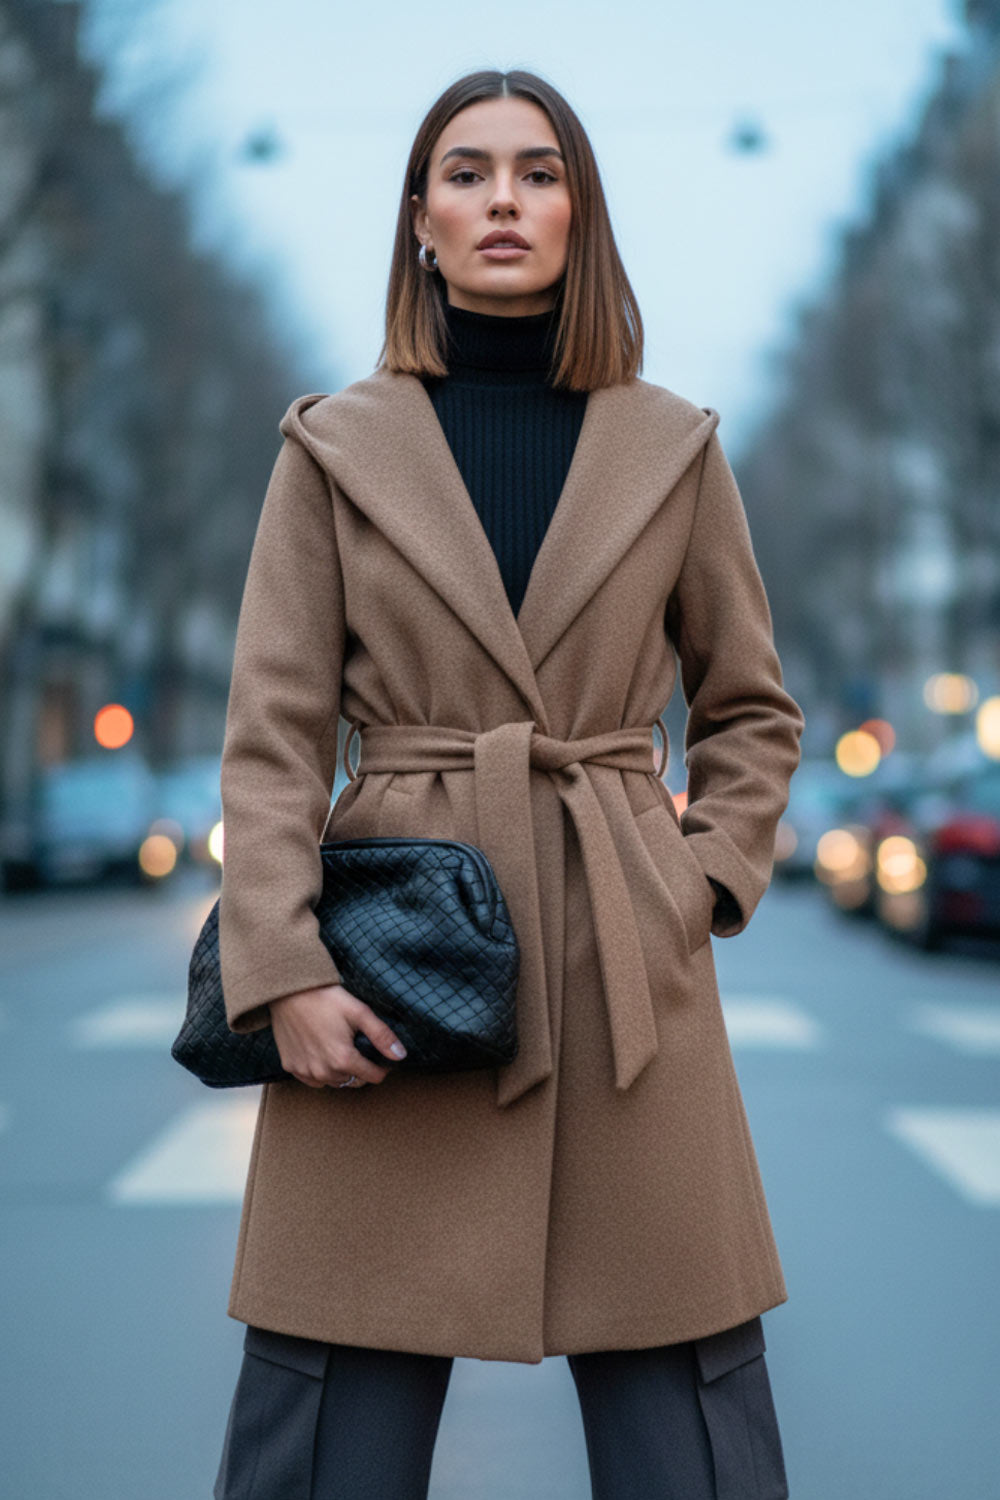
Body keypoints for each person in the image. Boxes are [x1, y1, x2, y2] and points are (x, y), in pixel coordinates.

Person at [212, 67, 804, 1500]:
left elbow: (752, 710)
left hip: (623, 944)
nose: (503, 201)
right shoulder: (333, 451)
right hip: (396, 946)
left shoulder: (675, 449)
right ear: (419, 219)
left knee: (683, 1404)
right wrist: (283, 969)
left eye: (540, 175)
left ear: (579, 215)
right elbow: (274, 735)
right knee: (335, 1402)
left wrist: (700, 879)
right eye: (467, 173)